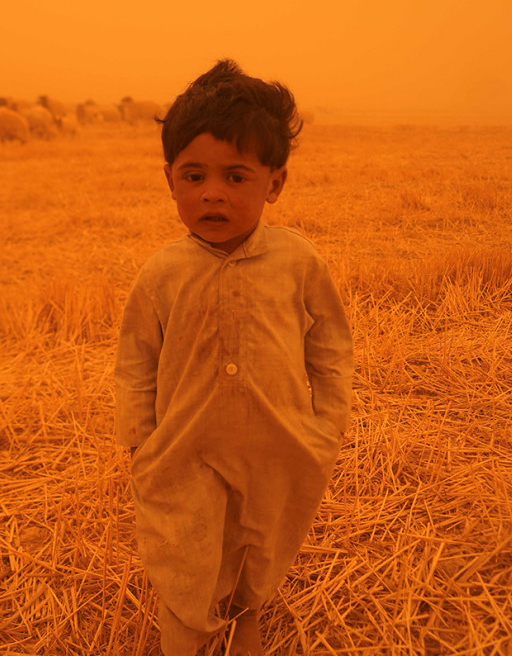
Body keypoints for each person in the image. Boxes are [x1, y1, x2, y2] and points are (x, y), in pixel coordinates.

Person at [113, 59, 353, 656]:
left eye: (236, 177)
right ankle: (189, 631)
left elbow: (330, 346)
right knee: (184, 547)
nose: (212, 192)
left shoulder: (299, 263)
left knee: (261, 538)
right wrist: (140, 441)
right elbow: (136, 360)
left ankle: (248, 613)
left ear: (275, 184)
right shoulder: (162, 273)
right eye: (194, 176)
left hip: (278, 441)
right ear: (170, 179)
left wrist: (327, 425)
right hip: (184, 447)